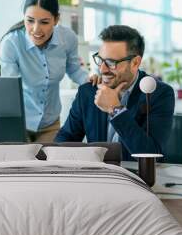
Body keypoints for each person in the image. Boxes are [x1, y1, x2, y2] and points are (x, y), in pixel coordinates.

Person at [55, 25, 175, 161]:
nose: (103, 69)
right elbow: (63, 141)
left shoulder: (158, 93)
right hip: (98, 176)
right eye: (100, 60)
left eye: (111, 62)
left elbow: (150, 155)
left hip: (136, 178)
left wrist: (115, 110)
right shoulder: (88, 92)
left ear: (135, 63)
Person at [0, 0, 98, 142]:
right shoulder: (11, 43)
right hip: (18, 122)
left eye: (44, 22)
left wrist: (89, 79)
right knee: (22, 166)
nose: (36, 29)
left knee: (50, 165)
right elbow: (10, 89)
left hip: (50, 123)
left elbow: (74, 69)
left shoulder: (68, 38)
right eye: (30, 21)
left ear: (56, 20)